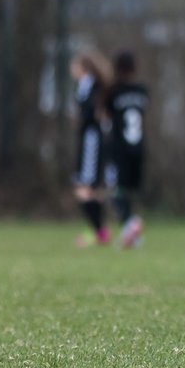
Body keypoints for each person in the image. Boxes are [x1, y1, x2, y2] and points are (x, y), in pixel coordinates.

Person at [106, 50, 149, 249]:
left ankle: (131, 227)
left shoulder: (114, 91)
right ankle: (132, 232)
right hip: (138, 147)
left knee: (117, 190)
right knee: (130, 191)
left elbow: (106, 114)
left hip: (119, 148)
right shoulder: (142, 90)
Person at [70, 50, 112, 247]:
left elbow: (92, 114)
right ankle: (99, 233)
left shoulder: (91, 86)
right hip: (89, 139)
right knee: (92, 189)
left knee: (85, 188)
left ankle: (100, 233)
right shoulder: (87, 86)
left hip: (91, 140)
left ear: (83, 68)